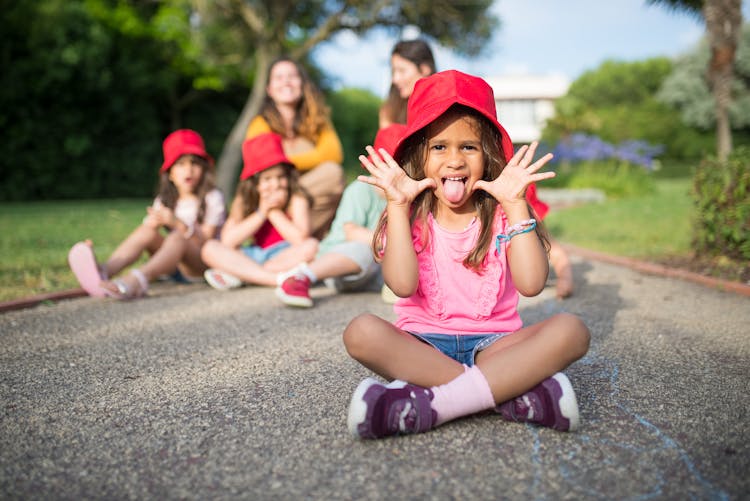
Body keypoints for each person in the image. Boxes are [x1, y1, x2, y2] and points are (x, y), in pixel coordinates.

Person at [343, 70, 590, 440]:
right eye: (440, 147)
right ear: (420, 155)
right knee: (360, 332)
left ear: (487, 154)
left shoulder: (504, 212)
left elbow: (533, 283)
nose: (454, 160)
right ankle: (507, 394)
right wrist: (397, 206)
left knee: (572, 331)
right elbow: (401, 284)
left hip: (496, 345)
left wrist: (517, 203)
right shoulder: (409, 213)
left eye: (468, 147)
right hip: (422, 346)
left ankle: (432, 404)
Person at [67, 129, 226, 299]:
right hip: (171, 265)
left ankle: (137, 279)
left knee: (177, 237)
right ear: (170, 173)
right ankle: (104, 271)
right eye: (181, 164)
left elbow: (206, 244)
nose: (189, 170)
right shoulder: (165, 200)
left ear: (204, 168)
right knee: (147, 231)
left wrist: (177, 223)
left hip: (199, 267)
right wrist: (153, 223)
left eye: (194, 163)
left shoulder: (212, 198)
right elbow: (147, 233)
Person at [274, 125, 404, 308]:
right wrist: (394, 243)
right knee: (365, 251)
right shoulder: (362, 190)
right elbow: (352, 232)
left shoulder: (408, 198)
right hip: (340, 261)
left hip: (376, 271)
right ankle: (302, 276)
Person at [201, 132, 317, 289]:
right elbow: (228, 240)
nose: (275, 184)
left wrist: (274, 212)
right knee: (210, 248)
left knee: (312, 246)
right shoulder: (244, 200)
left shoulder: (297, 197)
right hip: (255, 255)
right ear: (254, 183)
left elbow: (301, 239)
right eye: (267, 179)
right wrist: (262, 212)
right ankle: (276, 279)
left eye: (280, 177)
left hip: (284, 255)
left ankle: (246, 275)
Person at [246, 57, 345, 240]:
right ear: (269, 89)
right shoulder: (260, 124)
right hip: (274, 192)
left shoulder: (317, 120)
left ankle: (300, 227)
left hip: (300, 198)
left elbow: (334, 155)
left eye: (292, 76)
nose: (286, 82)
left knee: (334, 173)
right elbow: (261, 166)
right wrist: (308, 160)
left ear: (302, 84)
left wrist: (284, 163)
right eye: (279, 77)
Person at [379, 39, 436, 129]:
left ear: (425, 69)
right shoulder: (390, 110)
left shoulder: (441, 108)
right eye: (393, 71)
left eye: (402, 70)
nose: (395, 79)